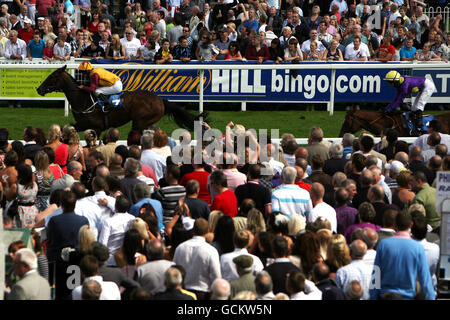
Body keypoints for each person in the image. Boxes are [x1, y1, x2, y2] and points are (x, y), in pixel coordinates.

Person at [370, 211, 435, 300]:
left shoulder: (383, 244)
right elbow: (425, 279)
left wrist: (373, 297)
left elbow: (376, 273)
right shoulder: (417, 248)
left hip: (385, 295)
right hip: (408, 296)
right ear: (411, 224)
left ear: (395, 224)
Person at [173, 218, 221, 300]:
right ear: (208, 231)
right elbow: (216, 276)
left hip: (183, 291)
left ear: (192, 230)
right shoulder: (211, 250)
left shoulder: (180, 247)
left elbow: (174, 269)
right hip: (203, 293)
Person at [383, 70, 436, 136]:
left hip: (428, 86)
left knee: (419, 106)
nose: (390, 84)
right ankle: (414, 125)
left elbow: (399, 100)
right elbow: (396, 98)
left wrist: (389, 109)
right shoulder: (400, 83)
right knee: (414, 108)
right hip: (423, 86)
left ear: (395, 81)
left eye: (390, 82)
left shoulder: (404, 86)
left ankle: (418, 129)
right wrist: (387, 108)